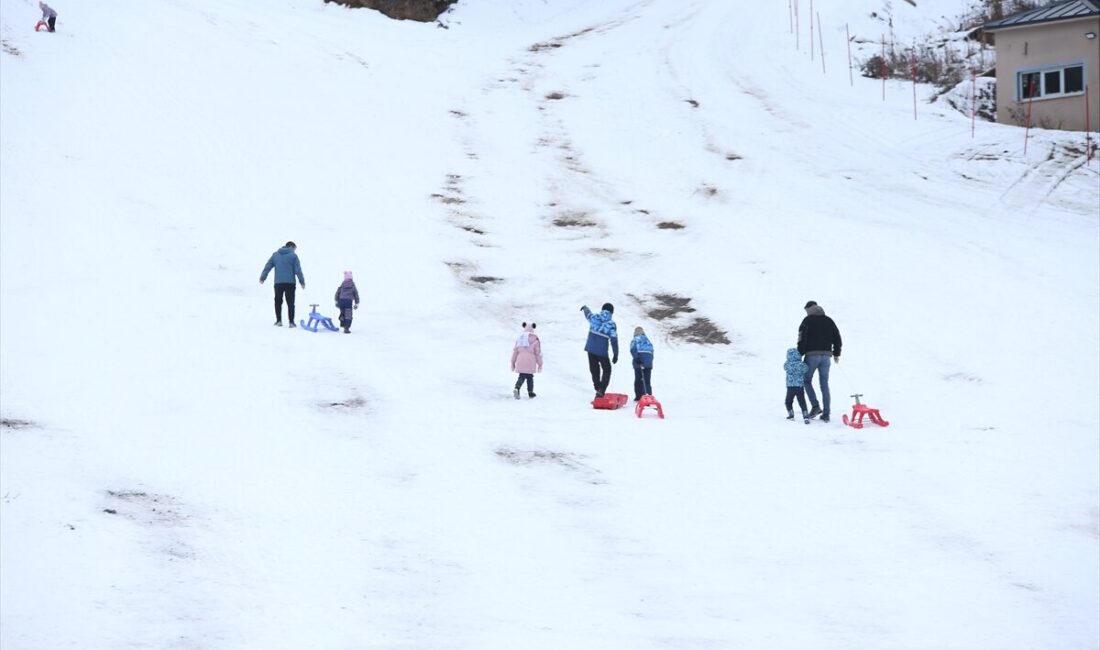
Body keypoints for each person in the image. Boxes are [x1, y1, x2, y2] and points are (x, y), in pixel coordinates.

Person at [797, 300, 842, 422]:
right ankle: (826, 414)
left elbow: (802, 338)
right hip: (826, 357)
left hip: (811, 355)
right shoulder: (829, 320)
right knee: (824, 384)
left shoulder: (807, 321)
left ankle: (815, 406)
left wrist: (799, 354)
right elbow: (837, 337)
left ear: (809, 310)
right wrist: (836, 353)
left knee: (806, 380)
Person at [259, 241, 305, 327]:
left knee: (278, 301)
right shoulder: (293, 256)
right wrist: (302, 282)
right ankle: (291, 322)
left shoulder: (275, 255)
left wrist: (262, 277)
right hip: (290, 283)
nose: (295, 250)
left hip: (278, 283)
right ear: (291, 247)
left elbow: (267, 266)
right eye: (294, 248)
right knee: (290, 302)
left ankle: (278, 321)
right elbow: (298, 270)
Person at [581, 302, 618, 398]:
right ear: (611, 312)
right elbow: (614, 340)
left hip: (591, 349)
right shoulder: (611, 324)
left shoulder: (595, 317)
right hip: (602, 351)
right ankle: (601, 390)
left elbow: (588, 314)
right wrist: (615, 354)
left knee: (594, 369)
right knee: (607, 370)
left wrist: (585, 307)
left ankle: (597, 387)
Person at [510, 322, 543, 399]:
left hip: (520, 360)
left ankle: (517, 388)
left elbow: (515, 352)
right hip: (531, 362)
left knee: (521, 376)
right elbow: (538, 354)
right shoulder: (536, 340)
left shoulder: (520, 339)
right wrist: (540, 364)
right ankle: (530, 392)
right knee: (530, 377)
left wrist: (513, 362)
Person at [784, 348, 810, 424]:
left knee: (788, 401)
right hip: (799, 387)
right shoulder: (801, 365)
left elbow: (784, 368)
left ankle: (791, 415)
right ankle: (805, 416)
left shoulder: (787, 364)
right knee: (802, 402)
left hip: (790, 387)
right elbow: (806, 369)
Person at [630, 326, 654, 402]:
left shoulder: (635, 339)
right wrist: (649, 362)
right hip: (648, 362)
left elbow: (633, 349)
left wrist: (636, 358)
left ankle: (638, 396)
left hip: (639, 361)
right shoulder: (648, 341)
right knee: (647, 380)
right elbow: (652, 352)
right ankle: (648, 395)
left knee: (638, 379)